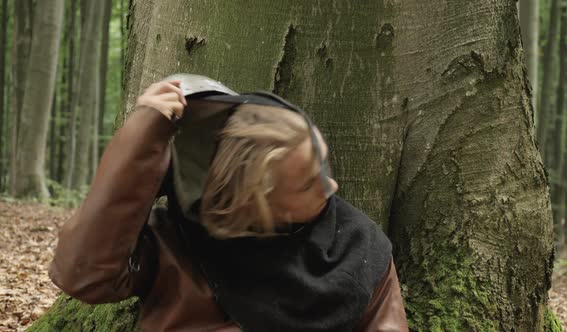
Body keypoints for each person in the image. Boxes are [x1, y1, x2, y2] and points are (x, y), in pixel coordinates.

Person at [49, 76, 408, 332]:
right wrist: (141, 142)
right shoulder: (177, 245)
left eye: (323, 165)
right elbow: (83, 276)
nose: (331, 185)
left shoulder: (359, 247)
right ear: (255, 202)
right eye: (306, 183)